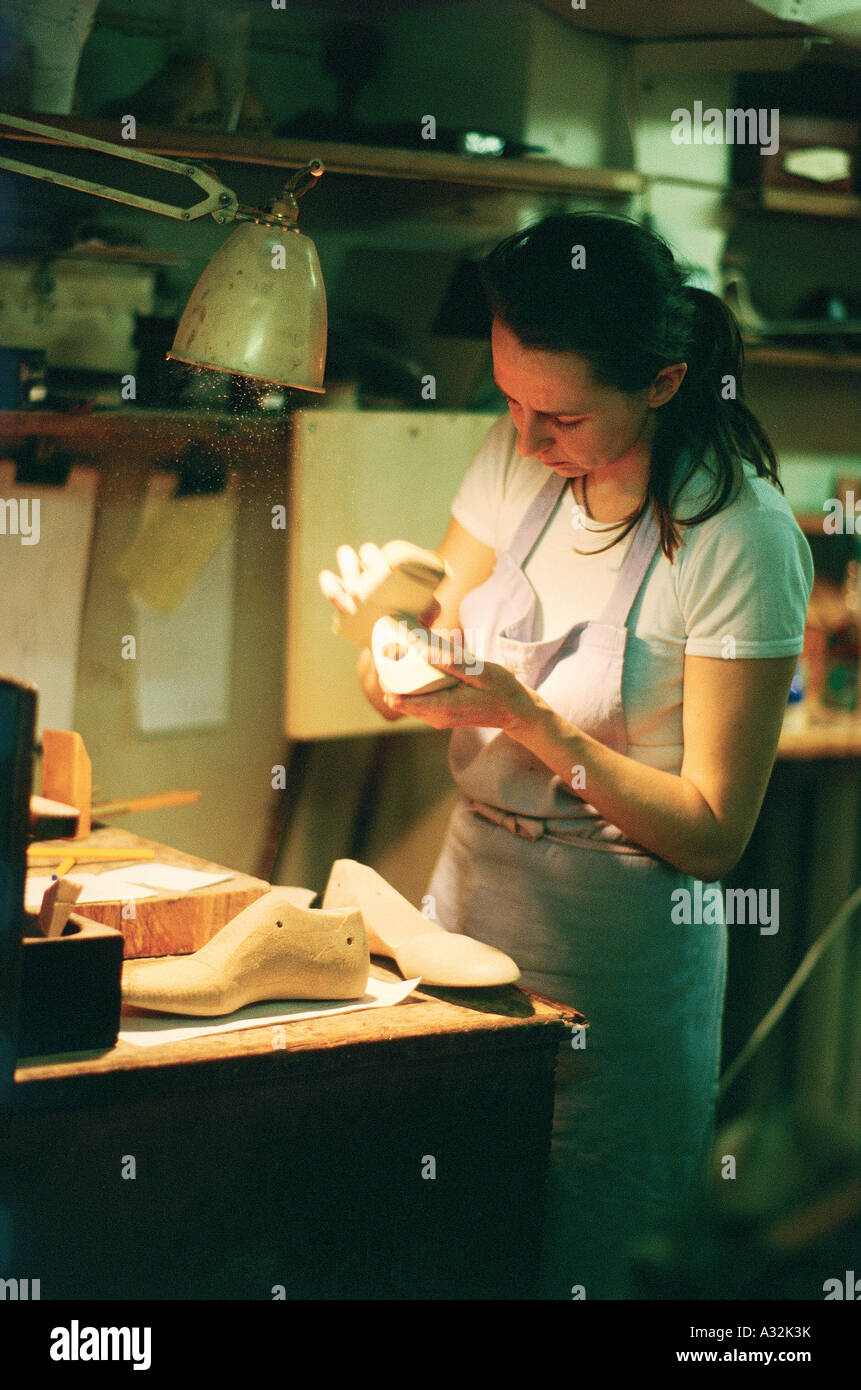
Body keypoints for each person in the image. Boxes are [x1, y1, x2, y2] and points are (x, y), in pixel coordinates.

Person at [320, 213, 814, 1300]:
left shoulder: (741, 534)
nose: (526, 436)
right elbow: (429, 660)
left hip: (620, 955)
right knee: (440, 1241)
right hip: (468, 911)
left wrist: (535, 723)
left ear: (666, 380)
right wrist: (387, 641)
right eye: (509, 399)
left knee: (578, 1260)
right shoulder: (518, 453)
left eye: (561, 415)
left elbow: (713, 832)